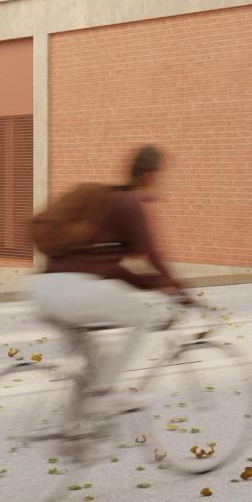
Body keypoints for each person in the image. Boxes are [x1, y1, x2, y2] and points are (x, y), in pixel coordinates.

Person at [26, 146, 191, 413]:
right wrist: (182, 292)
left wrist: (156, 285)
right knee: (142, 316)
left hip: (41, 291)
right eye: (165, 175)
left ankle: (75, 434)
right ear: (150, 175)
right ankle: (103, 395)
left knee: (95, 363)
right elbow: (153, 255)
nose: (167, 183)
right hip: (72, 292)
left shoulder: (106, 204)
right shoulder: (130, 203)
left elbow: (116, 271)